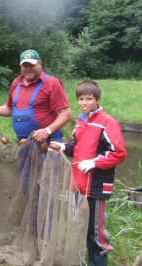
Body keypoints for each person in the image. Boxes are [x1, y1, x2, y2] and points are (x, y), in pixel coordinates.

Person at [49, 80, 127, 266]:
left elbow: (119, 153)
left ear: (97, 99)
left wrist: (94, 162)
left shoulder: (108, 122)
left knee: (96, 232)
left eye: (89, 99)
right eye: (81, 99)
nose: (84, 102)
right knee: (83, 228)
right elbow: (76, 147)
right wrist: (62, 147)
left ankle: (98, 262)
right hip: (79, 184)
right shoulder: (80, 122)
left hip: (96, 186)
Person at [0, 49, 72, 143]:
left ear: (40, 64)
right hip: (24, 146)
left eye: (31, 65)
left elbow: (66, 114)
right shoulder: (16, 83)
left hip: (48, 145)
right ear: (20, 66)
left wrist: (47, 131)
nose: (28, 69)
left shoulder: (52, 83)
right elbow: (9, 109)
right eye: (25, 65)